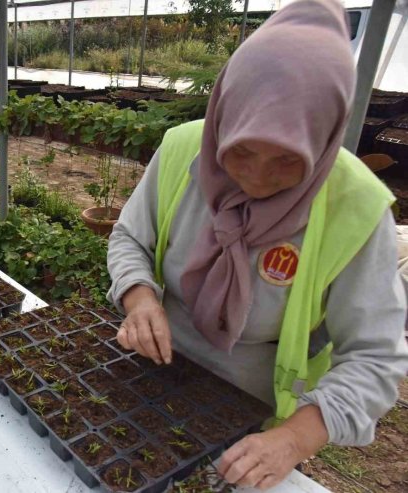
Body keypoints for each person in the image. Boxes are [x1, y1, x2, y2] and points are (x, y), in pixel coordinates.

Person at [107, 0, 408, 489]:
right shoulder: (184, 148)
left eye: (289, 161)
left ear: (326, 137)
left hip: (255, 409)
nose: (256, 178)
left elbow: (375, 359)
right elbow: (129, 239)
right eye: (240, 150)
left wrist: (293, 439)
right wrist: (139, 297)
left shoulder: (357, 209)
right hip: (150, 373)